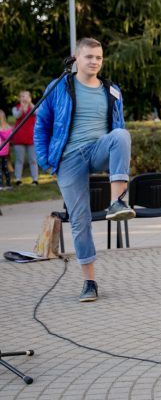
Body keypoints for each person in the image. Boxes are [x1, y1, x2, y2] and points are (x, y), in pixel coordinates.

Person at [34, 38, 137, 302]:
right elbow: (42, 124)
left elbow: (118, 125)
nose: (94, 62)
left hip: (98, 150)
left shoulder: (111, 90)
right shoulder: (59, 87)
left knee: (122, 135)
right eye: (89, 56)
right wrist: (46, 160)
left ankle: (116, 202)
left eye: (99, 58)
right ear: (76, 58)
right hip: (69, 158)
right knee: (80, 220)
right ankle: (89, 281)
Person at [12, 90, 40, 185]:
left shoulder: (33, 108)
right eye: (22, 96)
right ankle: (18, 179)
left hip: (31, 137)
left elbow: (37, 112)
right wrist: (22, 108)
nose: (24, 98)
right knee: (19, 160)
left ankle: (35, 179)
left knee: (33, 160)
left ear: (30, 98)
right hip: (19, 138)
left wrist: (30, 104)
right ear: (19, 98)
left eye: (27, 96)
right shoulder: (16, 108)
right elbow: (17, 116)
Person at [0, 110, 12, 189]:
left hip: (3, 151)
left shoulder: (7, 128)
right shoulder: (8, 127)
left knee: (4, 168)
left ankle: (7, 184)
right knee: (4, 168)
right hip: (4, 151)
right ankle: (5, 184)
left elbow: (7, 138)